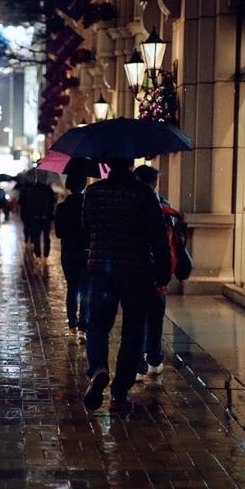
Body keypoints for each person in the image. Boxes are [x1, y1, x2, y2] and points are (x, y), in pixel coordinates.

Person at [81, 158, 171, 411]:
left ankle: (98, 367)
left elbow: (86, 227)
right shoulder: (144, 193)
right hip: (137, 271)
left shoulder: (93, 191)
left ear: (108, 164)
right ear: (131, 164)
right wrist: (163, 273)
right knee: (133, 330)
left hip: (101, 270)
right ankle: (120, 392)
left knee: (97, 325)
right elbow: (158, 236)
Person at [133, 165, 180, 380]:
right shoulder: (164, 206)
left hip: (135, 267)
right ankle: (154, 359)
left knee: (136, 316)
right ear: (155, 183)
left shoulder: (130, 203)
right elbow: (166, 242)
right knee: (156, 316)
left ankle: (138, 364)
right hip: (158, 269)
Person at [55, 173, 88, 340]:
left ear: (68, 186)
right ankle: (83, 326)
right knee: (85, 290)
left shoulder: (61, 207)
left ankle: (72, 325)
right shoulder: (87, 206)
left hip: (68, 252)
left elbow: (59, 233)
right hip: (86, 252)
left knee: (72, 288)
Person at [27, 182, 57, 261]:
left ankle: (38, 255)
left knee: (36, 237)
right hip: (46, 217)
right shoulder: (48, 189)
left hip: (36, 217)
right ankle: (46, 255)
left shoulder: (33, 189)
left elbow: (29, 204)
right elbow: (53, 202)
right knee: (46, 237)